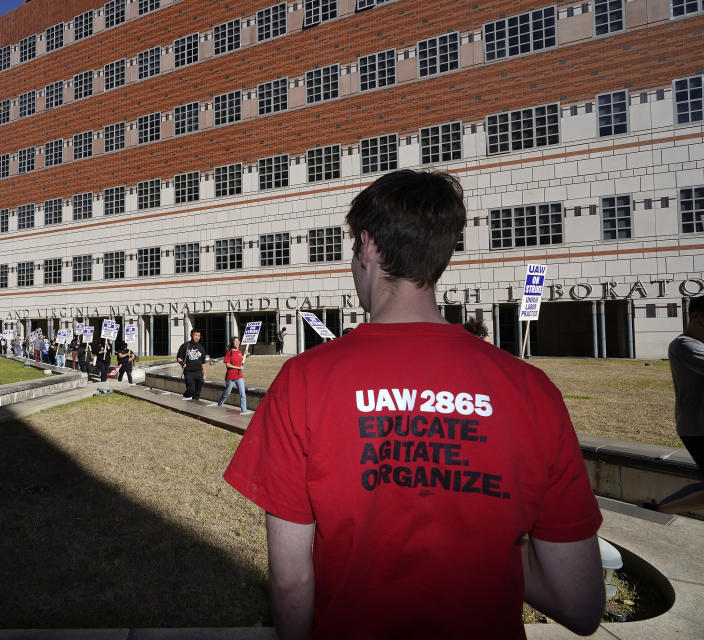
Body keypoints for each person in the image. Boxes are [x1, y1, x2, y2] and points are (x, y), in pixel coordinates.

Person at [223, 170, 604, 640]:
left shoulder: (304, 380)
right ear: (438, 255)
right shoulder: (533, 391)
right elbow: (580, 603)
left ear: (367, 247)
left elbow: (290, 577)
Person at [651, 296, 704, 514]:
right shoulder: (684, 346)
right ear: (696, 316)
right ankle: (658, 509)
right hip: (698, 428)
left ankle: (659, 509)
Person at [217, 336, 248, 413]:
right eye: (235, 341)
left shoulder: (240, 352)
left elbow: (241, 363)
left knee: (242, 394)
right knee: (227, 393)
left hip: (239, 376)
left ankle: (244, 410)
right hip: (230, 377)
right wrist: (238, 367)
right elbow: (228, 365)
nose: (237, 343)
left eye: (238, 341)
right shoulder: (229, 352)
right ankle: (220, 403)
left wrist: (245, 355)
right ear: (232, 343)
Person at [176, 329, 207, 400]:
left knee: (197, 392)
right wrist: (182, 363)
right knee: (191, 390)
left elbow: (203, 362)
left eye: (198, 336)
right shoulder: (185, 346)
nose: (197, 337)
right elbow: (178, 357)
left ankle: (195, 407)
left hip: (199, 372)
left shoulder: (201, 347)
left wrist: (204, 374)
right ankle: (186, 395)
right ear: (191, 335)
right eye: (195, 335)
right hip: (189, 372)